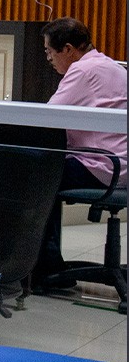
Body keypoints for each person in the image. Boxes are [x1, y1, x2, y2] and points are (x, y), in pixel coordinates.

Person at [33, 18, 128, 288]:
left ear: (68, 49)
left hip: (103, 166)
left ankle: (44, 267)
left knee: (33, 175)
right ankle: (47, 261)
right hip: (119, 166)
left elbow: (46, 118)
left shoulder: (83, 70)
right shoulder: (113, 67)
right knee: (46, 170)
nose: (48, 59)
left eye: (49, 52)